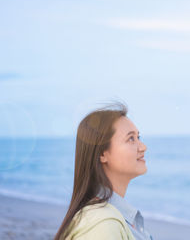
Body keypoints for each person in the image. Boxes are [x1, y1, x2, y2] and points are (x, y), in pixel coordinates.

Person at [54, 102, 154, 240]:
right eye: (131, 138)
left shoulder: (112, 217)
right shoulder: (102, 223)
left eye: (139, 137)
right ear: (102, 153)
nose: (143, 147)